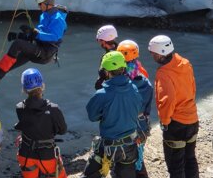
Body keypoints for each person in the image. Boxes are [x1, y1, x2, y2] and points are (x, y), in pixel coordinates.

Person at [0, 0, 68, 92]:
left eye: (39, 4)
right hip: (39, 47)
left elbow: (54, 37)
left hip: (46, 53)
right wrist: (21, 35)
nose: (38, 6)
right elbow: (39, 34)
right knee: (8, 66)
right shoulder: (44, 15)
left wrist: (34, 33)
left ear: (47, 3)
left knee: (18, 44)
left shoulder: (58, 19)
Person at [81, 51, 142, 178]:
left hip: (109, 146)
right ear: (124, 69)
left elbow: (92, 116)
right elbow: (137, 109)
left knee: (90, 174)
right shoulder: (134, 89)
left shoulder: (102, 94)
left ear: (106, 72)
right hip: (130, 145)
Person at [148, 35, 199, 178]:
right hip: (192, 119)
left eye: (152, 53)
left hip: (176, 124)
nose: (152, 55)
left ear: (160, 54)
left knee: (176, 166)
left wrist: (165, 122)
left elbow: (167, 101)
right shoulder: (185, 63)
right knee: (190, 159)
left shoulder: (164, 73)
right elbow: (193, 88)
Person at [15, 68, 68, 178]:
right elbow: (63, 130)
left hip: (26, 154)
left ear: (24, 89)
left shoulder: (19, 107)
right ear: (42, 85)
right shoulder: (53, 109)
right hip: (47, 156)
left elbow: (29, 124)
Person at [117, 40, 153, 178]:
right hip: (141, 123)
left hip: (125, 125)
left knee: (125, 158)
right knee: (138, 155)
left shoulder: (120, 82)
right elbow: (147, 105)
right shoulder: (144, 78)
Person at [94, 25, 119, 90]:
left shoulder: (107, 57)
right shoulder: (122, 51)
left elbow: (103, 75)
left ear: (103, 41)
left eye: (99, 40)